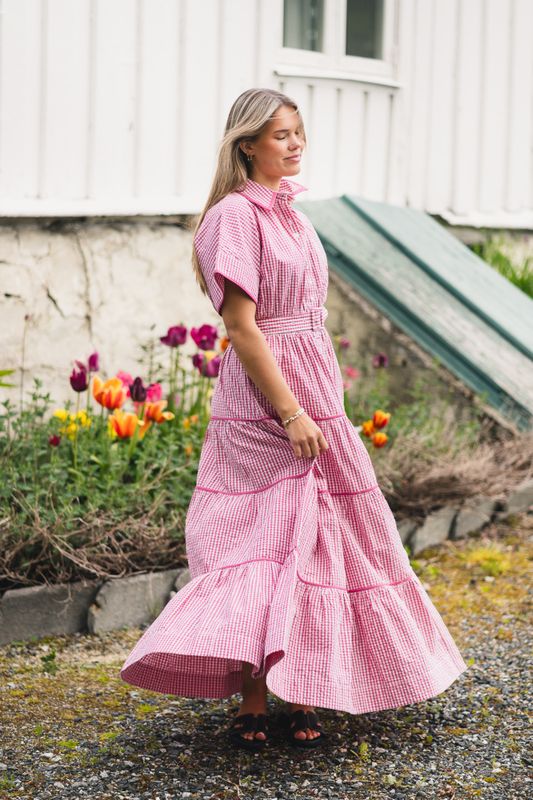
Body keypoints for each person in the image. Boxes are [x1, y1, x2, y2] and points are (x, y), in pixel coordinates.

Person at [120, 88, 468, 752]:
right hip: (264, 400)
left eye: (297, 132)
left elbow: (311, 321)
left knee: (324, 537)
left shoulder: (295, 219)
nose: (294, 143)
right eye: (280, 134)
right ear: (247, 144)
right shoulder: (233, 216)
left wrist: (321, 402)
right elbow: (242, 329)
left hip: (316, 389)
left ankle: (305, 684)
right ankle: (254, 696)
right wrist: (290, 412)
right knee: (259, 542)